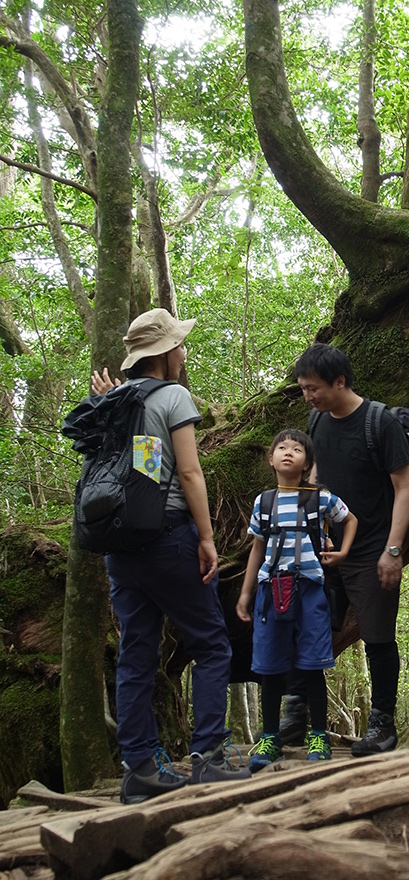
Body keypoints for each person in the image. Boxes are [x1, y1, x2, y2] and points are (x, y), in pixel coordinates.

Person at [91, 308, 251, 803]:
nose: (183, 353)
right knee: (211, 642)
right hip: (167, 537)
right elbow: (188, 473)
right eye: (179, 345)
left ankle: (139, 766)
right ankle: (209, 755)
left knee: (137, 652)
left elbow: (126, 467)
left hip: (119, 546)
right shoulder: (172, 396)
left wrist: (107, 401)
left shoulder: (112, 402)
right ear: (163, 355)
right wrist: (206, 537)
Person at [294, 343, 409, 756]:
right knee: (310, 627)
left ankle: (382, 724)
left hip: (370, 552)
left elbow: (403, 488)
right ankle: (297, 715)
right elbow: (313, 473)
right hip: (325, 550)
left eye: (314, 388)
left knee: (378, 638)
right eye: (304, 389)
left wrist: (393, 551)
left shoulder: (378, 423)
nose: (309, 396)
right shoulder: (316, 420)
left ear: (339, 381)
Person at [235, 429, 357, 769]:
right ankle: (270, 738)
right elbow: (257, 547)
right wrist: (246, 594)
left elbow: (350, 520)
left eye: (297, 448)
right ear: (270, 458)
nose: (289, 452)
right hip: (270, 588)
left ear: (308, 462)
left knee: (313, 662)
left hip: (309, 588)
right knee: (270, 665)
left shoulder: (321, 499)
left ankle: (318, 735)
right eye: (282, 447)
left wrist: (343, 552)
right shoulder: (264, 501)